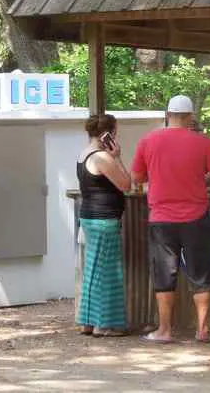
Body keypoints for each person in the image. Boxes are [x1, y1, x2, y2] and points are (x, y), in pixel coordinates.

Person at [131, 94, 210, 343]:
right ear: (190, 117)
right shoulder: (203, 143)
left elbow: (137, 177)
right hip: (196, 217)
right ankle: (202, 330)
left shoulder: (148, 140)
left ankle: (164, 331)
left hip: (161, 219)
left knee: (164, 274)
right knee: (201, 273)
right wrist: (200, 179)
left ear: (167, 114)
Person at [76, 113, 133, 337]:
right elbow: (126, 184)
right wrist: (117, 156)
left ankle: (87, 322)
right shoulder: (102, 157)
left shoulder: (83, 154)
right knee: (108, 271)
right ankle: (106, 324)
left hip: (89, 217)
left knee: (92, 270)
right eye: (115, 132)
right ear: (107, 134)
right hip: (105, 219)